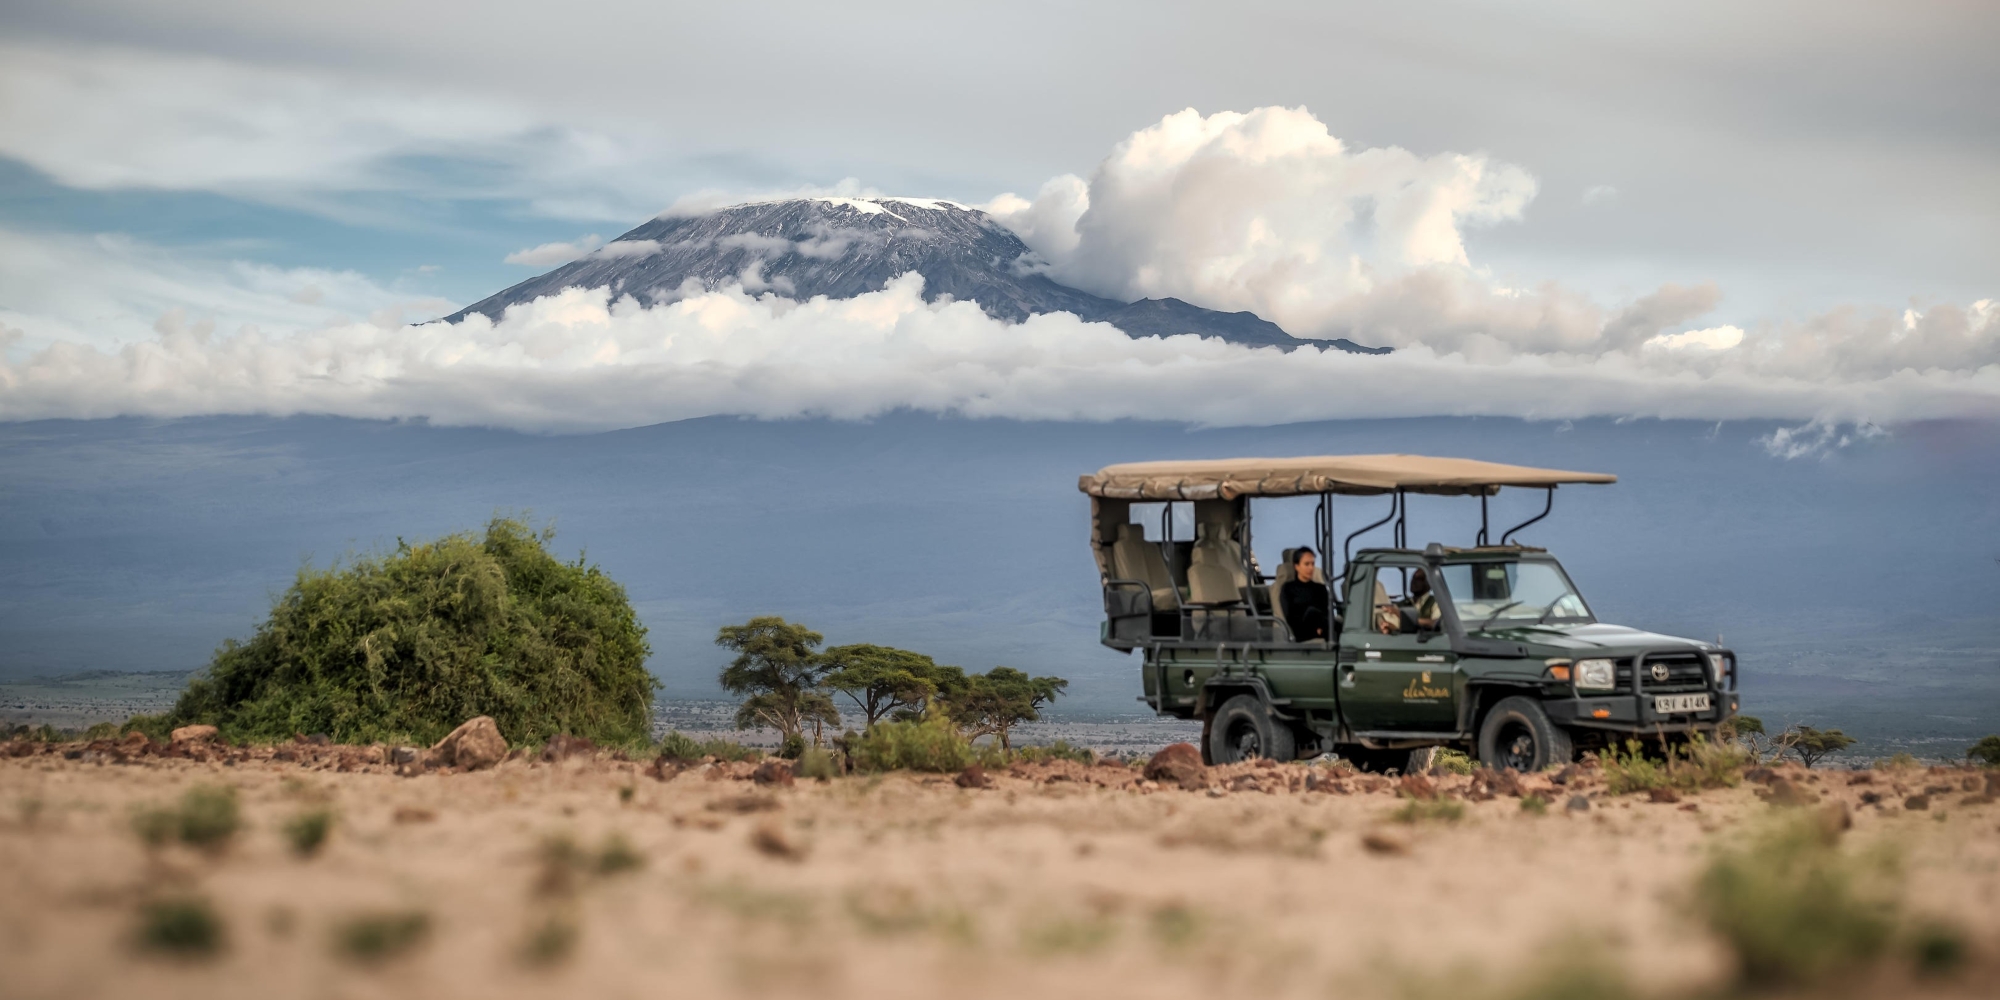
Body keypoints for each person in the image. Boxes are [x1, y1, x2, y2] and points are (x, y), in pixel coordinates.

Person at [1279, 547, 1329, 641]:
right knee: (1311, 611)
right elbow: (1290, 617)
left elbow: (1326, 612)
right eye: (1307, 564)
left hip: (1324, 627)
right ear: (1296, 566)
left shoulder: (1320, 588)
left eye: (1312, 564)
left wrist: (1321, 627)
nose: (1311, 568)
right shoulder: (1288, 588)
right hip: (1302, 630)